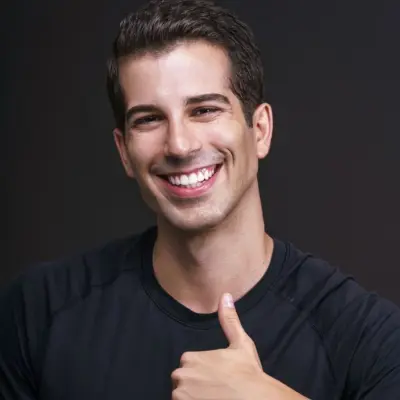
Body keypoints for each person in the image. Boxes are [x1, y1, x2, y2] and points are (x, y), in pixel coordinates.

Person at [2, 0, 400, 398]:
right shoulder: (40, 312)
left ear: (260, 129)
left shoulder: (368, 339)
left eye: (205, 110)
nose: (179, 144)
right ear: (123, 151)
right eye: (149, 119)